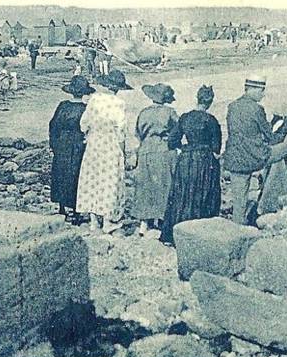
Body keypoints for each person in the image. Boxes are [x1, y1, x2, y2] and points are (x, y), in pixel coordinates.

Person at [221, 74, 287, 225]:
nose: (263, 95)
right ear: (253, 89)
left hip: (235, 160)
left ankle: (238, 232)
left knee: (239, 204)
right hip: (255, 157)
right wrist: (284, 123)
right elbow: (271, 138)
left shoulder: (232, 106)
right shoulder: (257, 109)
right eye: (261, 91)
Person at [162, 85, 222, 245]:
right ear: (210, 102)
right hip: (204, 160)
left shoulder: (185, 117)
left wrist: (185, 148)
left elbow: (172, 141)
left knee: (182, 195)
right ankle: (200, 234)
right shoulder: (211, 120)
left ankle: (175, 233)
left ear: (197, 98)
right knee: (203, 195)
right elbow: (216, 149)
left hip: (186, 159)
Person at [76, 68, 132, 233]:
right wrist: (123, 153)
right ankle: (108, 221)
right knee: (110, 182)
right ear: (118, 88)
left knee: (92, 180)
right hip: (110, 145)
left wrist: (91, 134)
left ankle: (94, 221)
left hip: (94, 144)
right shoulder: (119, 103)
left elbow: (83, 124)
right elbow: (121, 132)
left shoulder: (94, 99)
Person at [133, 83, 180, 235]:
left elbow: (138, 133)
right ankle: (161, 221)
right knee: (164, 185)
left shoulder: (144, 112)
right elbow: (177, 132)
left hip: (146, 149)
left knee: (145, 185)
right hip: (163, 150)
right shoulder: (170, 112)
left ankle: (144, 224)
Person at [49, 75, 94, 222]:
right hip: (77, 143)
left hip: (62, 143)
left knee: (60, 172)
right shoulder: (85, 109)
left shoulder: (63, 106)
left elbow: (53, 125)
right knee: (76, 174)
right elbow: (88, 128)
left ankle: (61, 207)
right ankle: (75, 209)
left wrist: (53, 143)